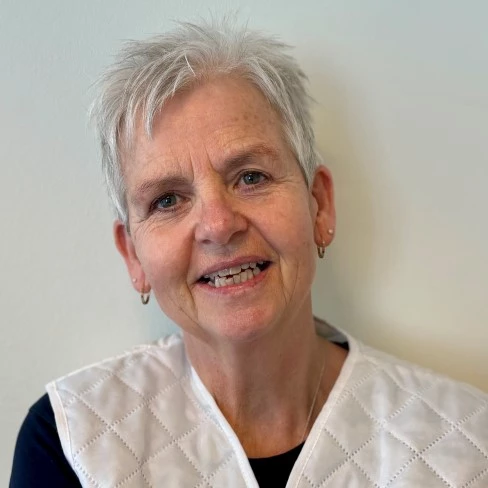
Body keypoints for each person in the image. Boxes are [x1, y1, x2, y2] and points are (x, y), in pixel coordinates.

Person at [10, 19, 488, 488]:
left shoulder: (466, 445)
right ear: (133, 256)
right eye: (168, 200)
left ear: (318, 205)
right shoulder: (70, 442)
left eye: (251, 177)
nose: (218, 225)